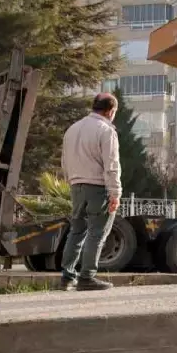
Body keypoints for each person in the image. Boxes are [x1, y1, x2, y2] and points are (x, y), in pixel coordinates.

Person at [59, 93, 123, 291]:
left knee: (76, 232)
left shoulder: (72, 129)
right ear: (110, 111)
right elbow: (111, 165)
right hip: (97, 187)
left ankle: (67, 277)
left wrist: (72, 181)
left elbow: (64, 162)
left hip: (76, 185)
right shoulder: (106, 130)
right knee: (97, 233)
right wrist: (115, 193)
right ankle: (87, 277)